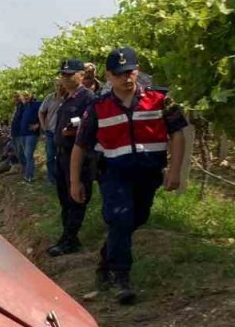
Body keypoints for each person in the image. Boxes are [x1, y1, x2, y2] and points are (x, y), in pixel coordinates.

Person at [70, 47, 187, 303]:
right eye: (119, 73)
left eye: (130, 72)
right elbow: (80, 146)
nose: (126, 77)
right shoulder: (98, 108)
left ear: (137, 71)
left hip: (148, 173)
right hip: (114, 174)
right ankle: (121, 277)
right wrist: (75, 181)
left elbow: (177, 133)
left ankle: (107, 258)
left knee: (137, 218)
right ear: (108, 76)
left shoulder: (160, 100)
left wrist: (175, 171)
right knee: (121, 219)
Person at [47, 59, 96, 257]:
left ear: (81, 75)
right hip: (62, 155)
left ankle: (69, 239)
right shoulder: (68, 98)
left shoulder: (88, 98)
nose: (65, 78)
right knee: (64, 199)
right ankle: (68, 237)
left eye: (70, 74)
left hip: (77, 156)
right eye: (63, 75)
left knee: (76, 198)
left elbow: (91, 128)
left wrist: (74, 132)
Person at [38, 77, 64, 185]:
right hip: (50, 132)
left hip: (63, 133)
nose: (59, 87)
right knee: (50, 157)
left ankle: (60, 178)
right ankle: (51, 178)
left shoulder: (68, 97)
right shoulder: (49, 98)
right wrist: (43, 126)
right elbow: (41, 112)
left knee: (61, 157)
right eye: (57, 85)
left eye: (61, 85)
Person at [15, 91, 42, 183]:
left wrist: (38, 125)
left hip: (31, 134)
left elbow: (45, 113)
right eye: (24, 96)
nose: (25, 97)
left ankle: (29, 176)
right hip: (22, 134)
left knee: (28, 154)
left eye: (27, 95)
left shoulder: (37, 104)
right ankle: (26, 174)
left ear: (31, 95)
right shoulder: (24, 106)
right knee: (24, 155)